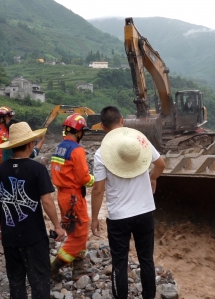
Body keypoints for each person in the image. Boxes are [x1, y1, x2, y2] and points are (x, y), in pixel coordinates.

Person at [91, 106, 166, 299]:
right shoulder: (140, 141)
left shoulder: (101, 154)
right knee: (146, 260)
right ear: (122, 121)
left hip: (118, 218)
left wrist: (94, 219)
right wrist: (153, 178)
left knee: (120, 264)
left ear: (103, 127)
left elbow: (98, 190)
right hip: (144, 213)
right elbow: (161, 164)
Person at [0, 122, 66, 298]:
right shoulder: (37, 169)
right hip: (34, 236)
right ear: (31, 144)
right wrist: (57, 226)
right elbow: (46, 201)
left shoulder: (0, 169)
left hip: (9, 236)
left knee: (16, 280)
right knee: (39, 279)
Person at [49, 113, 95, 281]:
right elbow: (84, 178)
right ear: (78, 132)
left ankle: (79, 268)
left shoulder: (59, 148)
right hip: (74, 197)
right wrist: (94, 180)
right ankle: (53, 268)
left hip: (63, 195)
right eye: (82, 131)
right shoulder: (77, 150)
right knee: (80, 234)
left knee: (75, 232)